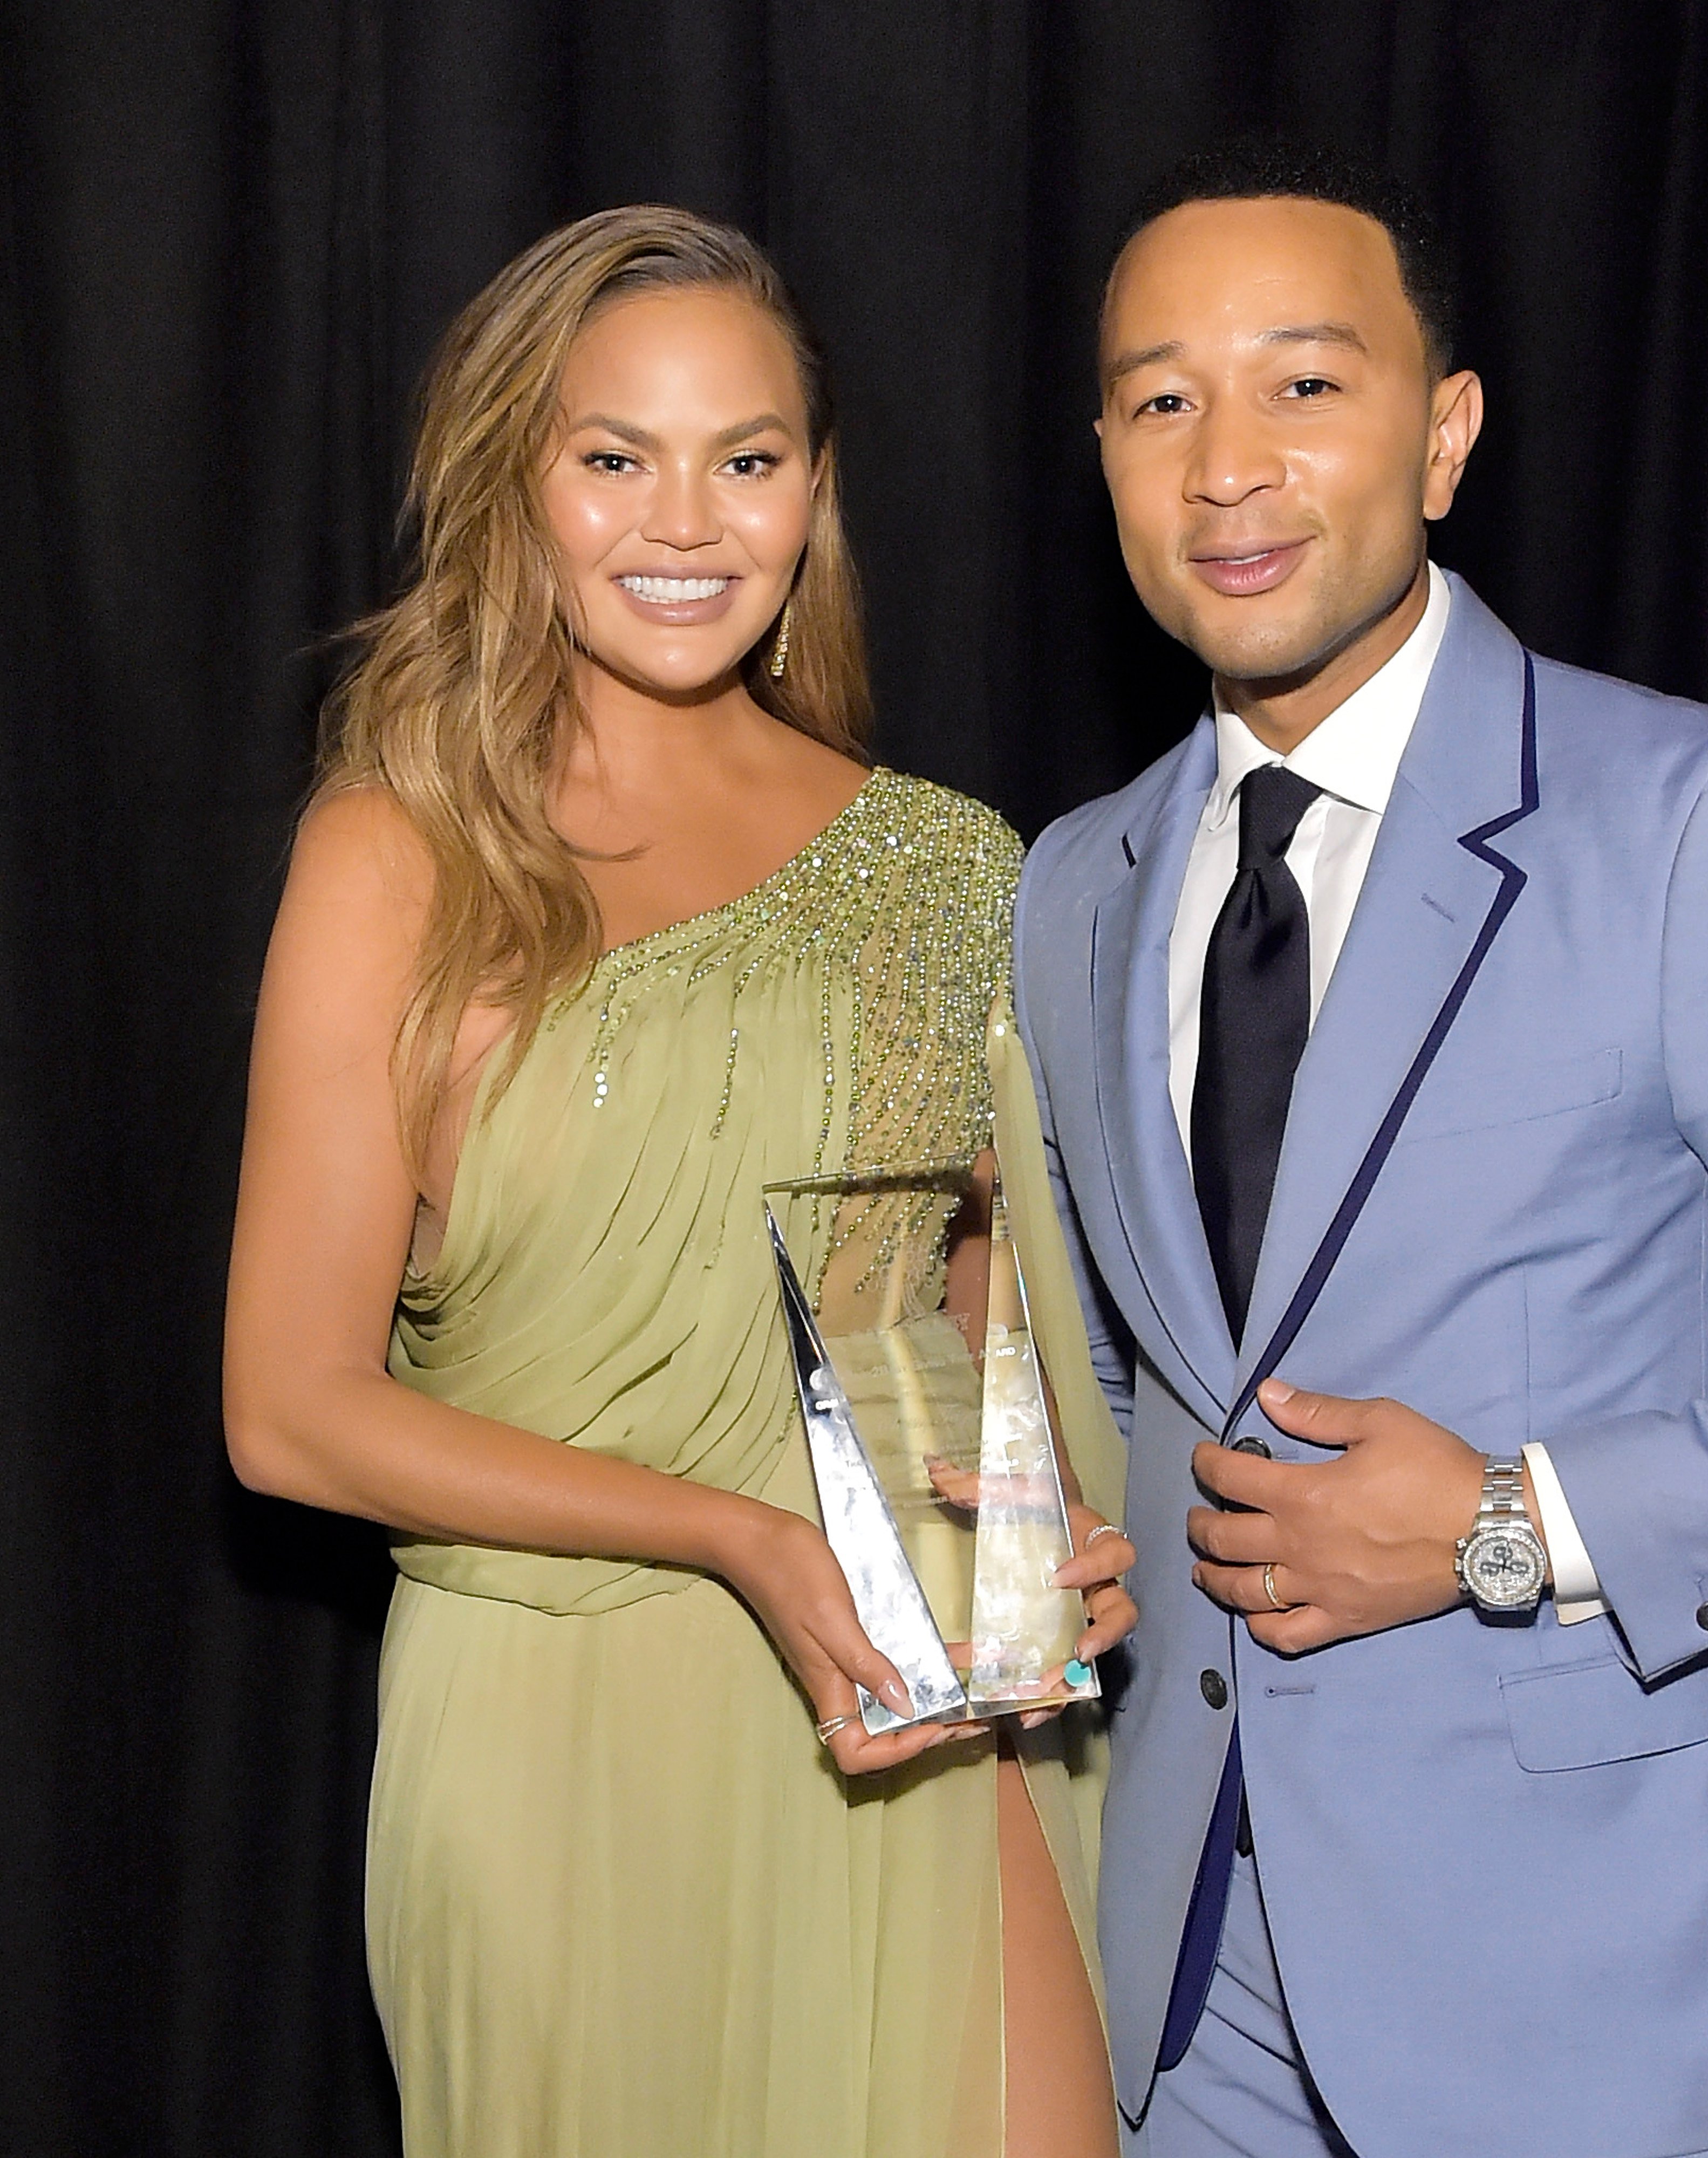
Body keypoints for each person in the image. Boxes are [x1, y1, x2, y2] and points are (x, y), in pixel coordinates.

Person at [1012, 139, 1708, 2158]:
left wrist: (1514, 1525)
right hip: (1175, 1990)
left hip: (1582, 2001)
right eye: (1162, 399)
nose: (1226, 463)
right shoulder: (1076, 884)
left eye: (1304, 384)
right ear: (1104, 459)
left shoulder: (1703, 825)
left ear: (1444, 439)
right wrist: (1033, 1534)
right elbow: (1136, 1364)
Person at [223, 205, 1133, 2158]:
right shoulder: (400, 852)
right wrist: (732, 1533)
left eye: (749, 457)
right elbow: (290, 1419)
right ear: (513, 486)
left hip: (901, 1716)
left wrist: (1042, 1519)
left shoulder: (946, 864)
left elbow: (966, 1337)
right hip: (557, 1737)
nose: (687, 519)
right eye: (613, 456)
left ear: (815, 490)